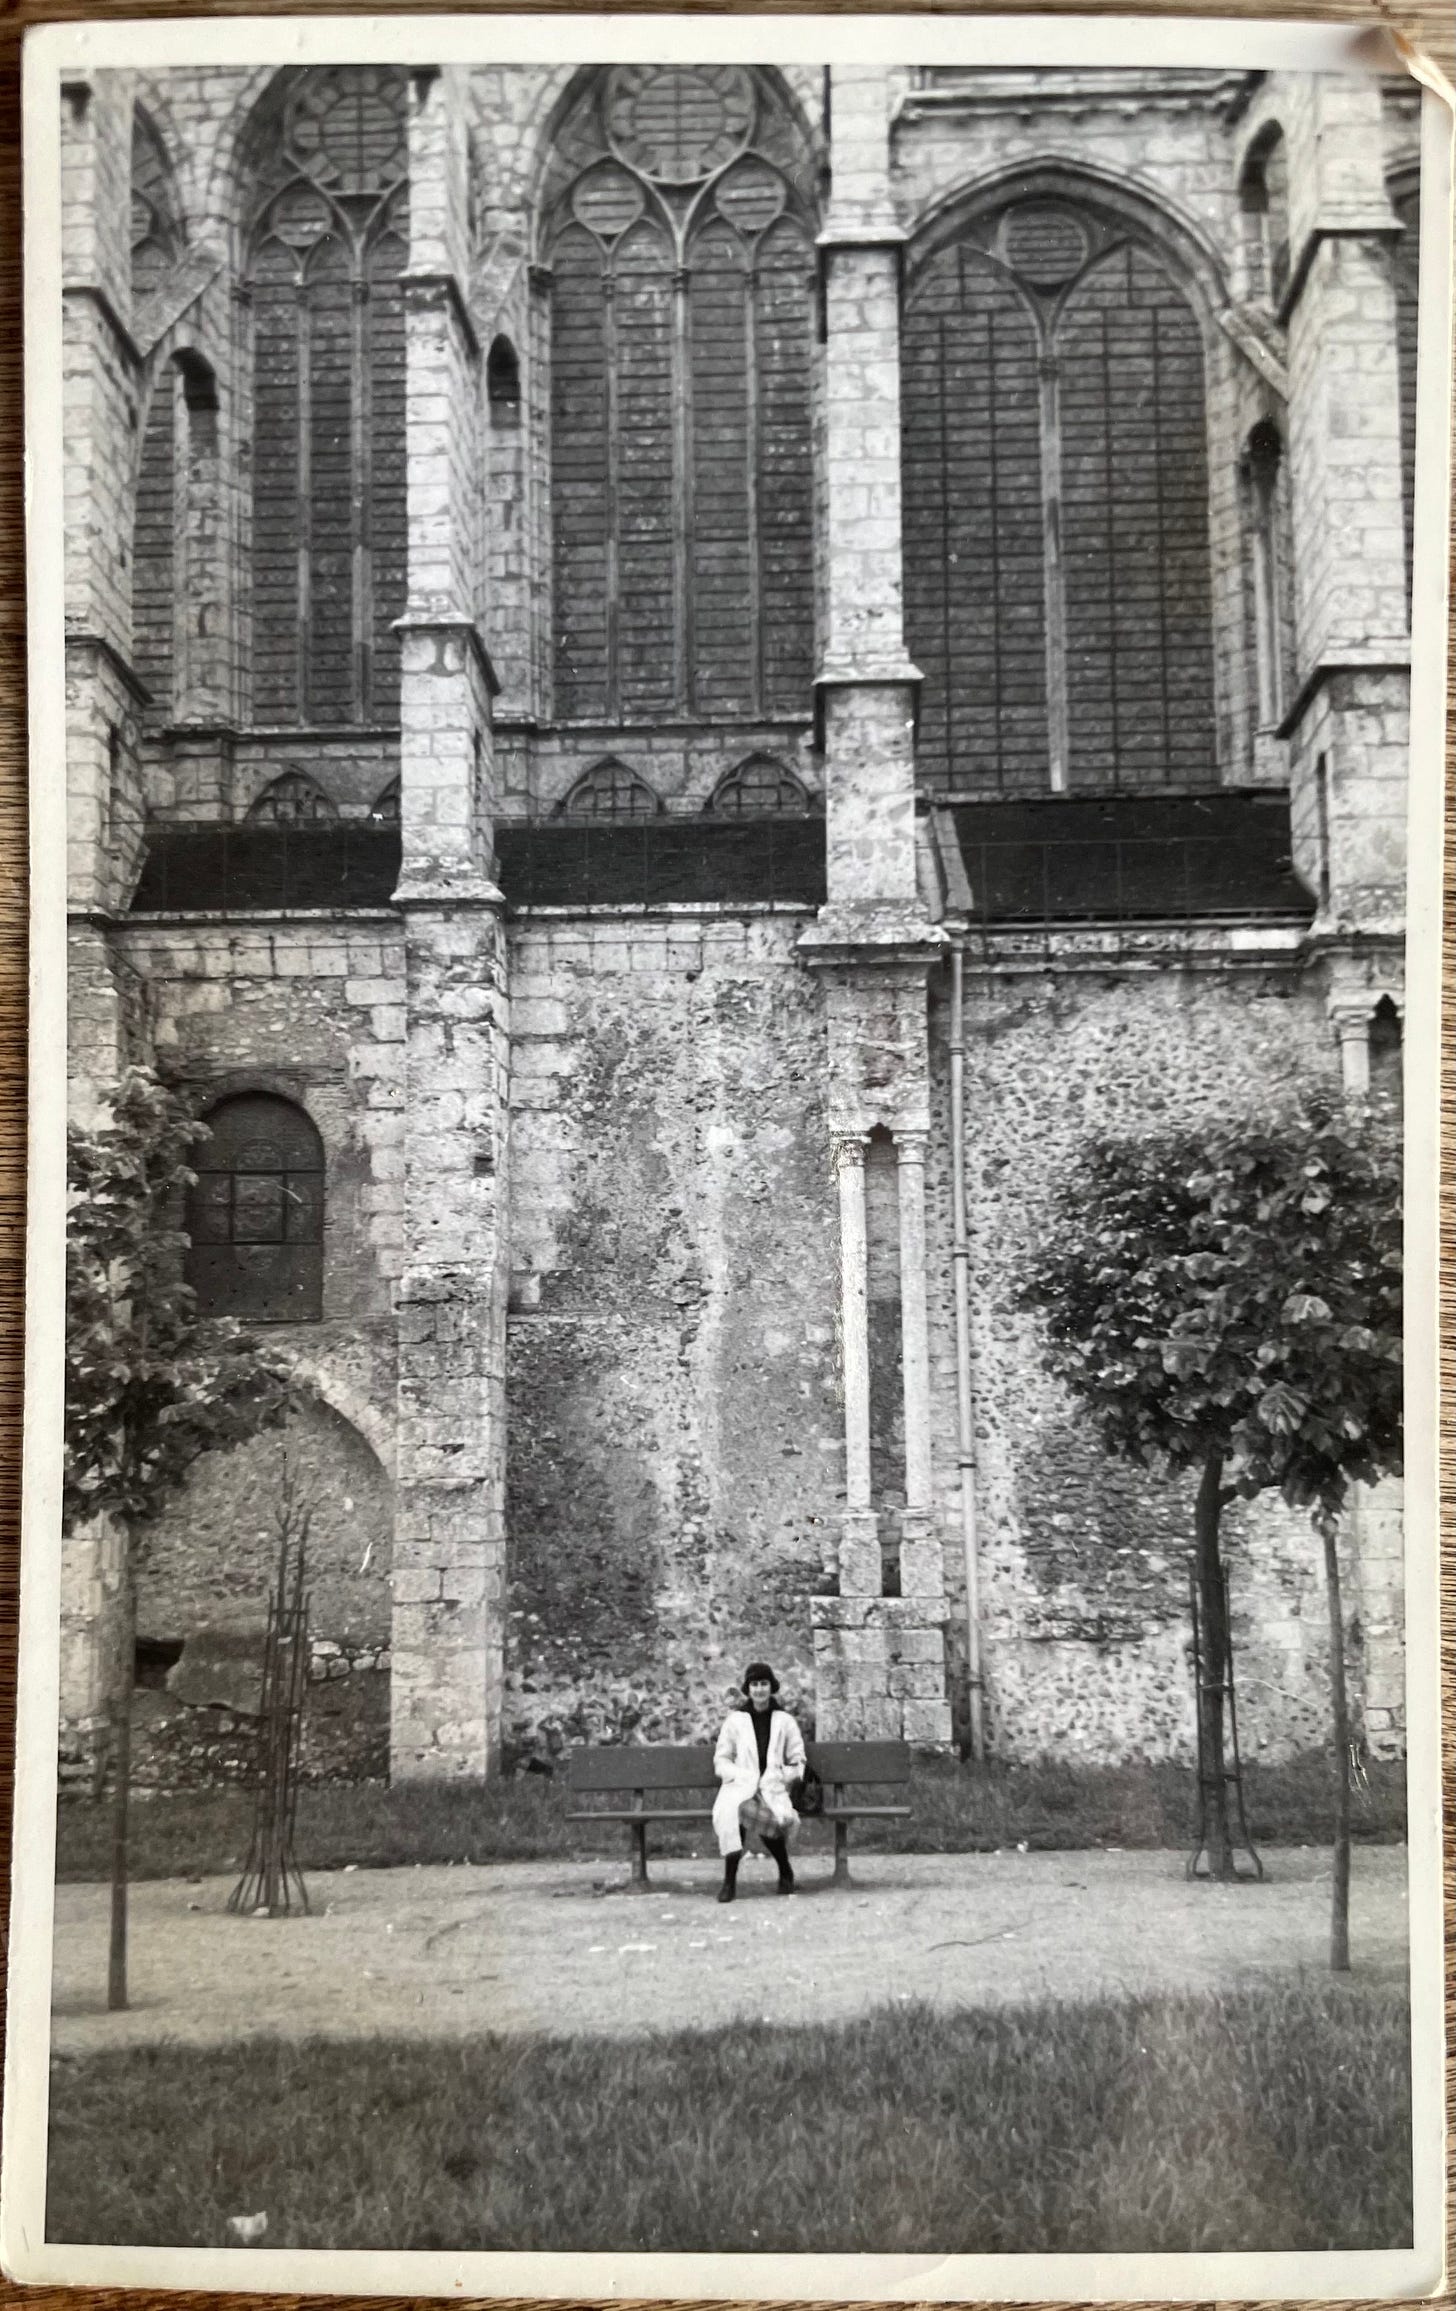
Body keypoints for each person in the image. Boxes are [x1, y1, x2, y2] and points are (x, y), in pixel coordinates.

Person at [712, 1661, 806, 1902]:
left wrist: (783, 1775)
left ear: (771, 1687)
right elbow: (722, 1759)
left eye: (764, 1683)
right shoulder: (736, 1721)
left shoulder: (784, 1721)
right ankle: (729, 1882)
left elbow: (798, 1759)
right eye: (754, 1684)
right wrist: (738, 1775)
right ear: (748, 1688)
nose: (759, 1689)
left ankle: (784, 1868)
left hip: (771, 1787)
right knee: (737, 1814)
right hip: (741, 1785)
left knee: (767, 1817)